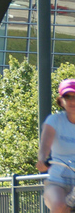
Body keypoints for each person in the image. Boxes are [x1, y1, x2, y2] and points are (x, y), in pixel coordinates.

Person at [36, 78, 75, 213]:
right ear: (61, 101)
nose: (72, 101)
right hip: (57, 181)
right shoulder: (55, 120)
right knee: (59, 206)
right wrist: (42, 159)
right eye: (67, 96)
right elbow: (45, 144)